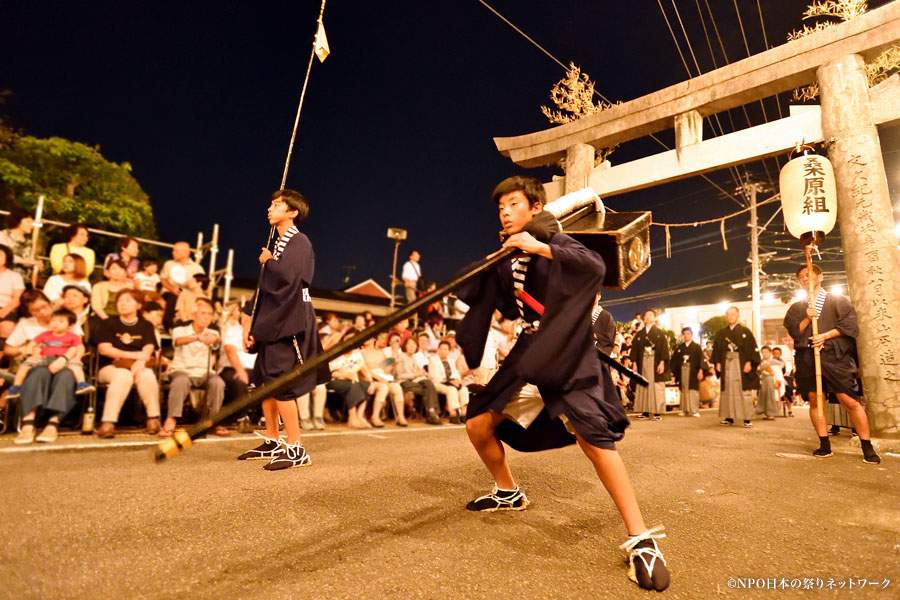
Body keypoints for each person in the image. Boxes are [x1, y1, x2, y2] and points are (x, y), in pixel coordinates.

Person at [456, 176, 669, 591]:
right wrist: (490, 269)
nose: (504, 211)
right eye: (500, 206)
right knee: (478, 424)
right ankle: (508, 491)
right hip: (529, 347)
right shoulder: (511, 251)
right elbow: (501, 304)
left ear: (535, 207)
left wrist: (539, 248)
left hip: (568, 346)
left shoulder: (555, 237)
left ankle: (641, 538)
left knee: (594, 441)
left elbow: (595, 266)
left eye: (513, 203)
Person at [237, 190, 328, 470]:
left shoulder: (298, 241)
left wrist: (268, 262)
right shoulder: (278, 244)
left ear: (292, 212)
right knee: (266, 381)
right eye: (271, 204)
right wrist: (248, 318)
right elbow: (268, 287)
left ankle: (296, 446)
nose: (269, 209)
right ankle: (274, 439)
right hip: (271, 319)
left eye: (277, 205)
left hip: (288, 320)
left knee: (281, 380)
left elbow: (293, 279)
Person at [783, 264, 880, 464]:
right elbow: (794, 331)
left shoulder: (838, 301)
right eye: (800, 277)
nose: (804, 279)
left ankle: (867, 445)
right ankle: (824, 443)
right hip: (807, 358)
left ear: (820, 277)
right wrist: (807, 318)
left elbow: (849, 326)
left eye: (808, 275)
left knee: (849, 400)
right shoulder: (797, 307)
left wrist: (824, 336)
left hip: (835, 356)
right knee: (814, 400)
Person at [5, 292, 87, 445]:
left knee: (65, 376)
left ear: (50, 303)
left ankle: (53, 423)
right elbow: (9, 349)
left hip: (65, 362)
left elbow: (78, 347)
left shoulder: (65, 319)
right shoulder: (26, 324)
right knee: (39, 373)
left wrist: (65, 359)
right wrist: (28, 350)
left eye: (43, 307)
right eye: (35, 310)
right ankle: (28, 424)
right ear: (30, 312)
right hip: (39, 362)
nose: (41, 312)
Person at [93, 289, 161, 438]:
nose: (123, 304)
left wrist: (140, 361)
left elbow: (148, 348)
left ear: (138, 305)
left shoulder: (146, 325)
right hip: (110, 367)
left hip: (138, 366)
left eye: (128, 301)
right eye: (120, 301)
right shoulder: (108, 323)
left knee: (146, 375)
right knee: (123, 375)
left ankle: (153, 419)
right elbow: (105, 349)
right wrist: (135, 356)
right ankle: (108, 422)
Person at [160, 298, 228, 437]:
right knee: (181, 381)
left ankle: (214, 420)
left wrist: (215, 339)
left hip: (204, 371)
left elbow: (217, 341)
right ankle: (171, 420)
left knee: (218, 382)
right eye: (203, 313)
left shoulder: (213, 331)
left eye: (209, 314)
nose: (206, 316)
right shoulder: (180, 327)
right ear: (194, 315)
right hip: (181, 369)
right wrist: (197, 338)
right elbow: (178, 341)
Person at [6, 308, 94, 400]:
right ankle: (15, 387)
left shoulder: (73, 337)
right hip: (45, 358)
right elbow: (32, 344)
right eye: (53, 320)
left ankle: (81, 384)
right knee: (25, 365)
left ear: (70, 325)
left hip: (63, 360)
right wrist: (30, 355)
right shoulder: (45, 334)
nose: (55, 323)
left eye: (60, 321)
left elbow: (80, 347)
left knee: (75, 366)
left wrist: (77, 357)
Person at [713, 306, 760, 428]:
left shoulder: (745, 332)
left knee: (742, 390)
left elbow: (752, 348)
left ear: (738, 315)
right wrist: (718, 363)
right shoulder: (721, 333)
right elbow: (717, 349)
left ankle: (747, 418)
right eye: (728, 314)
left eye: (733, 314)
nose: (730, 317)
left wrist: (749, 362)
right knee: (727, 390)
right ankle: (729, 417)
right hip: (726, 363)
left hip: (741, 362)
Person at [629, 309, 670, 421]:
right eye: (646, 315)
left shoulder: (659, 333)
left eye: (651, 315)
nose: (648, 317)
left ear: (654, 318)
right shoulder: (640, 334)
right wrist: (634, 363)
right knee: (643, 386)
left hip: (655, 361)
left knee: (656, 387)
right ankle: (645, 411)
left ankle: (656, 412)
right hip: (642, 361)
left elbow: (664, 349)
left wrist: (662, 363)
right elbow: (635, 350)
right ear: (644, 318)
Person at [394, 336, 440, 425]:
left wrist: (420, 375)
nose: (412, 346)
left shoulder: (413, 359)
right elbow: (399, 375)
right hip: (403, 382)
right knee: (429, 389)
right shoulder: (400, 356)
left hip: (412, 382)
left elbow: (415, 376)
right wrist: (416, 374)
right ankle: (432, 413)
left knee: (428, 383)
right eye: (409, 344)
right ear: (405, 346)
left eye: (414, 344)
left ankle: (431, 411)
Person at [160, 241, 205, 329]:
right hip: (170, 292)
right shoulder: (169, 264)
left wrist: (190, 284)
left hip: (189, 294)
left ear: (186, 253)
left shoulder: (197, 268)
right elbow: (163, 279)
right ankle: (170, 326)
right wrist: (172, 289)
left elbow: (203, 283)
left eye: (176, 251)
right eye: (173, 250)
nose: (173, 253)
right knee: (173, 298)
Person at [428, 340, 468, 424]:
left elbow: (456, 374)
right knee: (451, 389)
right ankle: (452, 414)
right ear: (438, 349)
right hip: (438, 383)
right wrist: (447, 381)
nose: (443, 351)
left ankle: (463, 414)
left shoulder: (451, 361)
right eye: (441, 349)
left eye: (445, 349)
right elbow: (433, 376)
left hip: (451, 383)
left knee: (463, 389)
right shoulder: (433, 360)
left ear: (449, 351)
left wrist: (456, 380)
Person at [0, 209, 43, 280]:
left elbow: (32, 262)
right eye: (28, 221)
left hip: (23, 281)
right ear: (17, 221)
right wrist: (29, 262)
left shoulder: (30, 243)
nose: (31, 225)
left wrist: (37, 264)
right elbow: (4, 257)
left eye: (32, 222)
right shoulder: (2, 235)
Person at [671, 327, 703, 417]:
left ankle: (694, 410)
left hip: (693, 370)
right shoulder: (680, 348)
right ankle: (683, 409)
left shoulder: (697, 347)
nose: (686, 336)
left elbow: (701, 360)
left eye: (688, 334)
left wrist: (700, 371)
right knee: (683, 389)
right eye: (684, 334)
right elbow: (674, 361)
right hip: (682, 370)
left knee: (692, 389)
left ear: (691, 335)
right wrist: (675, 373)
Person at [0, 244, 25, 344]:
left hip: (5, 310)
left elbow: (17, 298)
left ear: (7, 258)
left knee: (7, 327)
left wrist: (4, 311)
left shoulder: (14, 276)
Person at [756, 346, 779, 421]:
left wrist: (777, 381)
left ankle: (771, 413)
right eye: (762, 352)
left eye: (766, 352)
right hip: (762, 379)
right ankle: (764, 412)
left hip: (771, 379)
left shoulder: (774, 362)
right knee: (763, 396)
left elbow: (778, 373)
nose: (764, 354)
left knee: (770, 396)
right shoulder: (760, 362)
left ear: (770, 353)